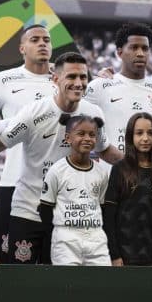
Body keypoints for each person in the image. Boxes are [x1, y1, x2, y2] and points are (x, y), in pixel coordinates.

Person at [0, 52, 123, 265]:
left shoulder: (93, 113)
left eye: (83, 77)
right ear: (55, 79)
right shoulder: (33, 112)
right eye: (71, 77)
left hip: (67, 217)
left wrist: (141, 166)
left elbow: (105, 150)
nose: (78, 83)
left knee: (56, 280)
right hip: (28, 211)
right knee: (19, 278)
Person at [0, 24, 55, 262]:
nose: (42, 43)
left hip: (60, 184)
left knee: (58, 261)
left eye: (46, 40)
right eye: (35, 39)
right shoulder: (3, 80)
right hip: (14, 180)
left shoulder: (65, 79)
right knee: (5, 260)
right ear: (22, 48)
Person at [86, 22, 152, 152]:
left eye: (145, 48)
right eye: (134, 48)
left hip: (146, 165)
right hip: (107, 165)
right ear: (119, 53)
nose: (140, 53)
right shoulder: (99, 86)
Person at [103, 112, 152, 266]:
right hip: (123, 259)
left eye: (150, 133)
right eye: (139, 133)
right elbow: (109, 217)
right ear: (131, 136)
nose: (145, 138)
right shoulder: (119, 170)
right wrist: (114, 255)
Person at [38, 114, 112, 266]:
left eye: (92, 135)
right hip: (65, 239)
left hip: (95, 238)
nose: (87, 138)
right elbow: (45, 209)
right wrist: (53, 238)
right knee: (69, 279)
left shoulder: (101, 172)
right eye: (81, 133)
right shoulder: (57, 171)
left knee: (102, 278)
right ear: (68, 138)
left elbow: (103, 208)